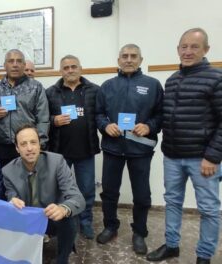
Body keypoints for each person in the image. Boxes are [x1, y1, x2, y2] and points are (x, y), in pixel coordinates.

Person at [146, 28, 222, 264]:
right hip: (172, 156)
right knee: (173, 202)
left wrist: (212, 156)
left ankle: (204, 256)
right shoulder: (172, 80)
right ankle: (171, 245)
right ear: (178, 49)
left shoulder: (216, 79)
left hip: (203, 159)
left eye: (194, 46)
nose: (188, 51)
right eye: (184, 46)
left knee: (209, 209)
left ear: (206, 50)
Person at [95, 44, 163, 254]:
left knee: (142, 194)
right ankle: (110, 226)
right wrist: (105, 126)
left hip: (140, 150)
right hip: (112, 148)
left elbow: (161, 115)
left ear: (141, 60)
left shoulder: (152, 85)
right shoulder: (107, 85)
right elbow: (98, 114)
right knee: (109, 192)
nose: (129, 59)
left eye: (133, 56)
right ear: (118, 60)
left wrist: (148, 126)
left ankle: (139, 232)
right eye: (124, 56)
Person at [3, 124, 85, 264]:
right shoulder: (7, 171)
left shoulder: (57, 162)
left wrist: (63, 209)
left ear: (40, 145)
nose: (29, 148)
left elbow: (77, 198)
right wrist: (12, 200)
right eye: (23, 144)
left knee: (70, 218)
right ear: (17, 148)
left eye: (33, 142)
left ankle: (62, 259)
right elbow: (10, 194)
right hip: (27, 219)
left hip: (51, 217)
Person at [46, 55, 100, 239]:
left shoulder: (94, 90)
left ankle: (85, 222)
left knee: (87, 190)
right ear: (61, 71)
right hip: (60, 153)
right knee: (59, 190)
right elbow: (44, 119)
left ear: (80, 68)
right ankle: (59, 222)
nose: (70, 70)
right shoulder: (51, 92)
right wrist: (54, 120)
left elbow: (100, 115)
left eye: (73, 66)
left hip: (86, 150)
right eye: (66, 67)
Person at [0, 49, 49, 166]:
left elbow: (43, 118)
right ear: (5, 65)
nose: (15, 64)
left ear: (24, 65)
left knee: (31, 182)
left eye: (19, 61)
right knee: (7, 181)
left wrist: (40, 144)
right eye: (11, 61)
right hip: (3, 146)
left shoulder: (36, 87)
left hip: (28, 145)